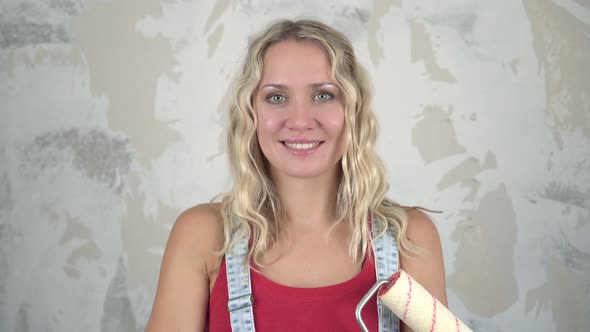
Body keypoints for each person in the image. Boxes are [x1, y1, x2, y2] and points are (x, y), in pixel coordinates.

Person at [146, 19, 446, 332]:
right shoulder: (203, 236)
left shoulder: (408, 240)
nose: (300, 120)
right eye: (276, 97)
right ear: (251, 114)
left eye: (324, 95)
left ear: (353, 111)